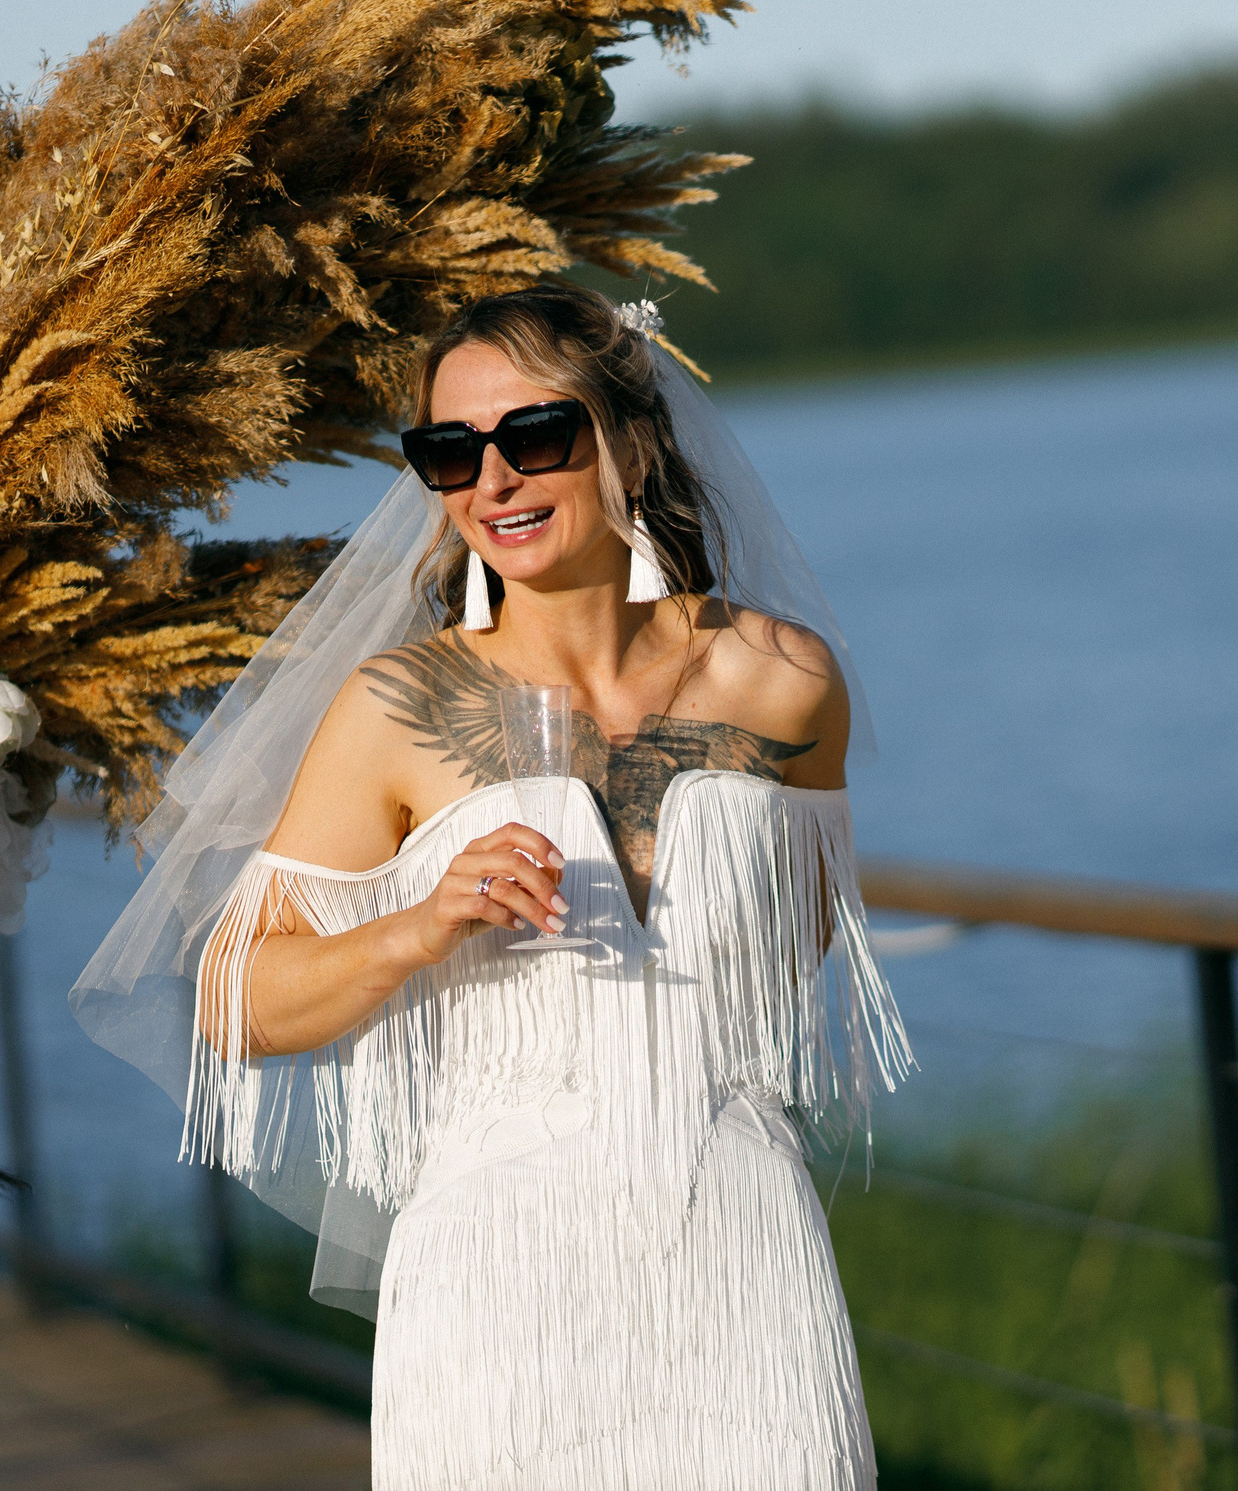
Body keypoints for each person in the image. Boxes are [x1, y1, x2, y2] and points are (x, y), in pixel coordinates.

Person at [74, 281, 911, 1490]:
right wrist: (415, 928)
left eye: (533, 437)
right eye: (448, 453)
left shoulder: (783, 683)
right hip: (498, 1274)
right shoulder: (394, 710)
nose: (494, 483)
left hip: (740, 1251)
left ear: (630, 440)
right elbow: (231, 999)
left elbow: (792, 950)